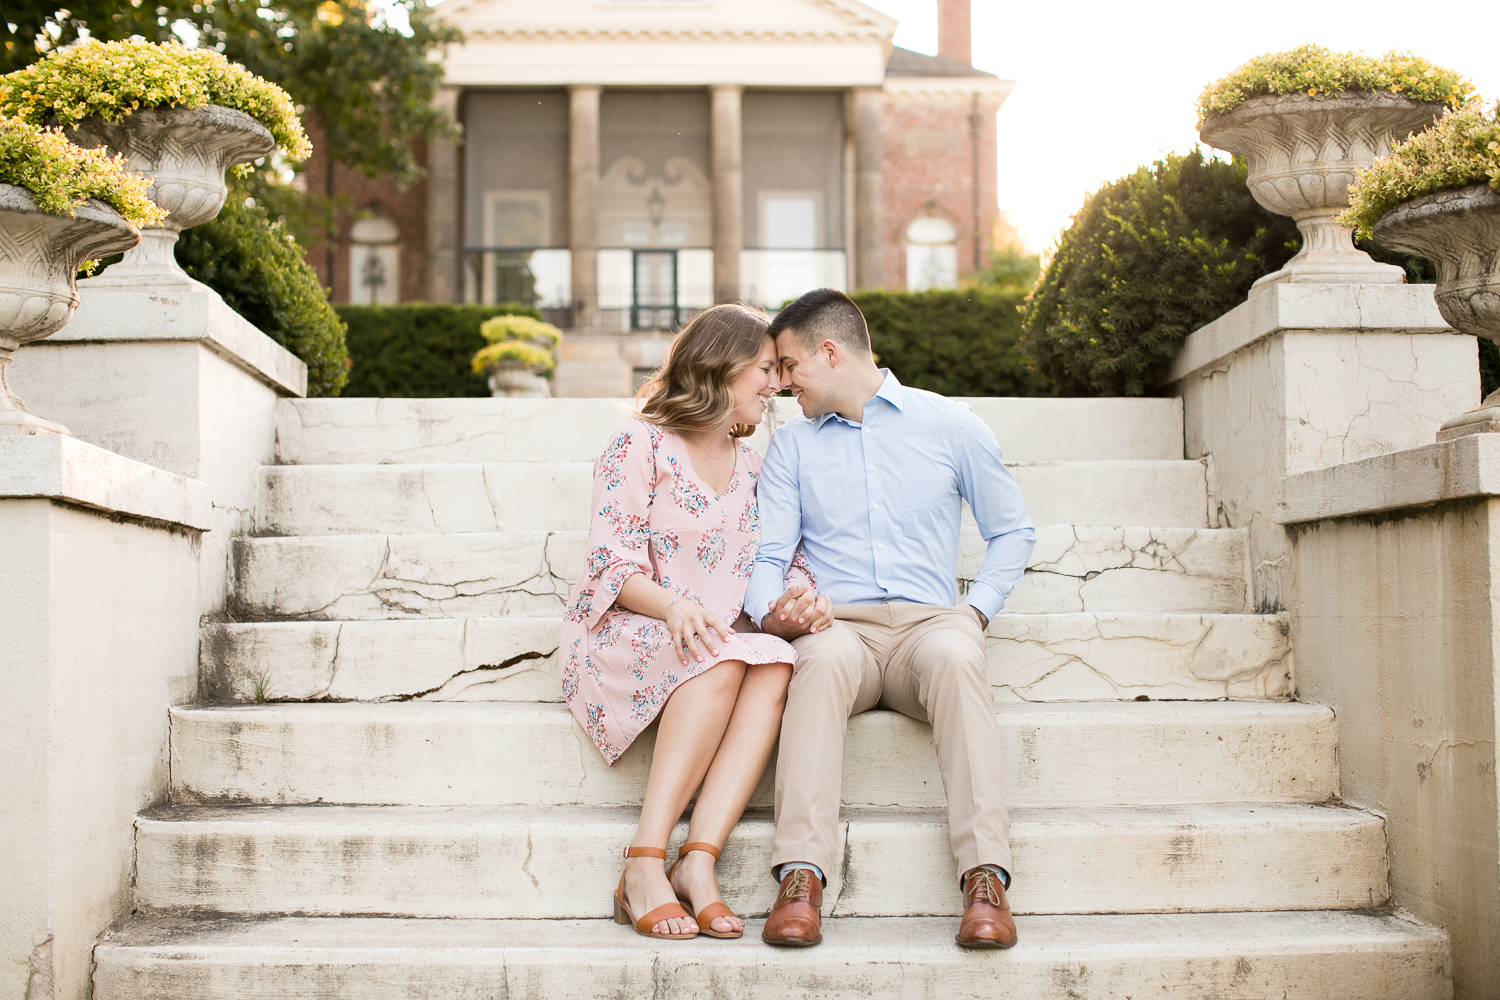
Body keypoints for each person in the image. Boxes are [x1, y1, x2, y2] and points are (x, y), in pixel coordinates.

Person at [745, 288, 1035, 950]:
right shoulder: (791, 447)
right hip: (838, 627)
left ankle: (985, 878)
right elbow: (768, 554)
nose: (782, 384)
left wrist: (974, 613)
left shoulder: (951, 425)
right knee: (817, 665)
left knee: (958, 658)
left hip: (930, 628)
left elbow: (1013, 532)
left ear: (830, 351)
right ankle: (800, 876)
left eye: (788, 366)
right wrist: (774, 611)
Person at [560, 303, 820, 941]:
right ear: (723, 368)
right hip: (625, 629)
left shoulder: (756, 469)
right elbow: (608, 563)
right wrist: (673, 605)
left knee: (775, 662)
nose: (777, 384)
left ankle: (697, 862)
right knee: (723, 650)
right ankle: (644, 863)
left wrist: (798, 604)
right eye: (764, 369)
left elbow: (786, 561)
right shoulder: (641, 443)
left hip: (709, 638)